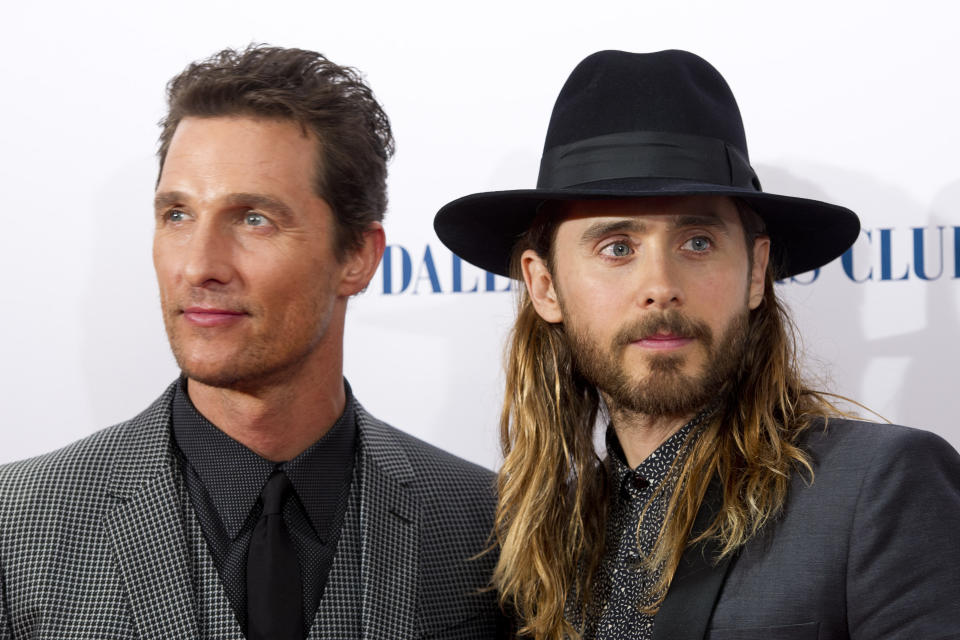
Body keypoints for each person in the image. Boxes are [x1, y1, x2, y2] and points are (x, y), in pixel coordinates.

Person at [435, 49, 960, 640]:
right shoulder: (535, 540)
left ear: (756, 272)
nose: (660, 287)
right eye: (617, 248)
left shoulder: (880, 488)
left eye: (698, 243)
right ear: (545, 285)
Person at [0, 45, 505, 639]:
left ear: (358, 258)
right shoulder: (15, 527)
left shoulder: (487, 525)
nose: (199, 267)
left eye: (253, 218)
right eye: (177, 216)